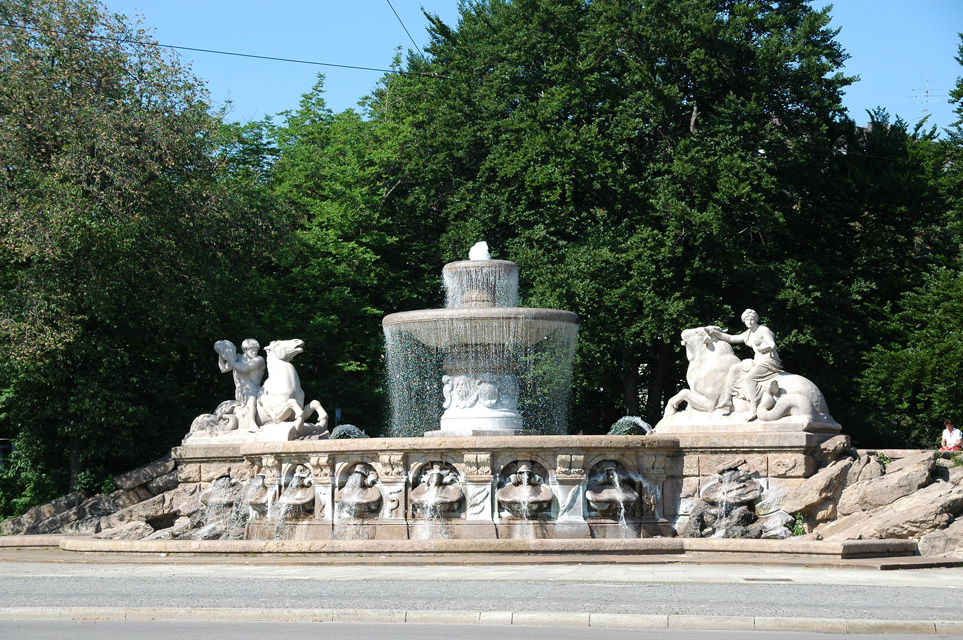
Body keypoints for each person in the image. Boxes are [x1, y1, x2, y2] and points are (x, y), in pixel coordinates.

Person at [709, 309, 783, 421]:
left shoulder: (763, 329)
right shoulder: (747, 334)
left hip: (768, 361)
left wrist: (766, 348)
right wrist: (716, 333)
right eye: (747, 319)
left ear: (756, 320)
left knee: (749, 379)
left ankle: (753, 409)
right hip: (757, 361)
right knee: (734, 369)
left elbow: (772, 344)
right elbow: (730, 338)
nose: (749, 321)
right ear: (744, 321)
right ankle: (727, 398)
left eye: (752, 319)